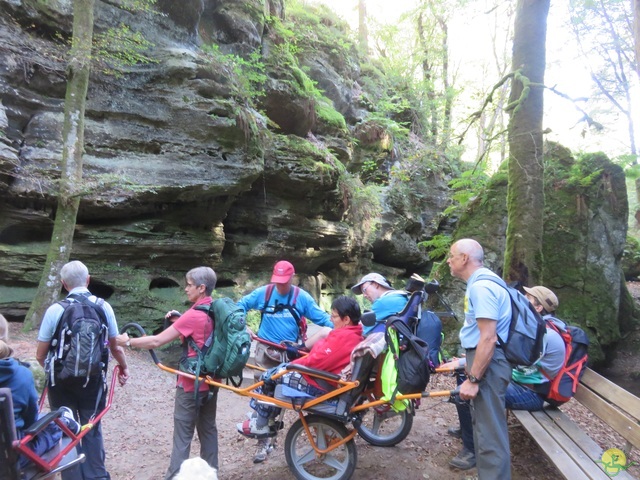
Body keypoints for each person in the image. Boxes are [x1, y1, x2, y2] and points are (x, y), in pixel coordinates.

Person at [442, 284, 567, 470]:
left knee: (467, 392)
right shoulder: (537, 327)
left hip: (531, 394)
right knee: (466, 379)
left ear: (538, 307)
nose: (522, 300)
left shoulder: (544, 333)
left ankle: (472, 450)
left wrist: (465, 363)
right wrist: (469, 363)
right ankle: (469, 431)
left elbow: (507, 356)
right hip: (518, 383)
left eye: (528, 298)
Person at [116, 266, 219, 480]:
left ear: (201, 288)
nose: (185, 289)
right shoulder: (216, 309)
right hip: (213, 382)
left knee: (182, 436)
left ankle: (174, 476)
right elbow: (202, 335)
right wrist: (178, 319)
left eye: (189, 285)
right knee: (208, 430)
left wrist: (128, 342)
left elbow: (156, 341)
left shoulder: (192, 316)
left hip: (190, 384)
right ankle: (211, 475)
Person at [36, 260, 129, 480]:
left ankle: (72, 476)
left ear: (63, 284)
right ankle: (96, 475)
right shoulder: (103, 307)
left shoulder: (55, 310)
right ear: (88, 280)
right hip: (94, 380)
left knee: (65, 427)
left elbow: (40, 354)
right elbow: (114, 345)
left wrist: (54, 371)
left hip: (60, 382)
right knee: (92, 426)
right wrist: (123, 367)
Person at [238, 260, 333, 463]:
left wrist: (342, 333)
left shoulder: (301, 298)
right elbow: (240, 306)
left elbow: (324, 320)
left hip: (290, 354)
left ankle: (308, 433)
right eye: (277, 281)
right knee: (264, 397)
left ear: (292, 278)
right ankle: (263, 443)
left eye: (284, 281)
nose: (280, 285)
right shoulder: (263, 293)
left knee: (291, 396)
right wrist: (243, 326)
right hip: (265, 352)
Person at [236, 296, 363, 437]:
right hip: (326, 378)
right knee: (275, 373)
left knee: (269, 377)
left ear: (346, 319)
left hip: (320, 383)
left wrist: (292, 365)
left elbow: (315, 361)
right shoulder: (354, 333)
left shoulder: (343, 338)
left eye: (334, 316)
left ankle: (260, 423)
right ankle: (263, 416)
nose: (331, 319)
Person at [446, 239, 512, 480]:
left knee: (490, 432)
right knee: (484, 428)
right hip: (488, 361)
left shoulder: (481, 287)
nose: (449, 260)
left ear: (464, 258)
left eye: (452, 255)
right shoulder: (485, 282)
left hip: (490, 364)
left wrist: (473, 379)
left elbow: (489, 338)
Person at [1, 314, 80, 470]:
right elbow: (30, 421)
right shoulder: (20, 375)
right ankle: (64, 421)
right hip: (9, 458)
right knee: (51, 432)